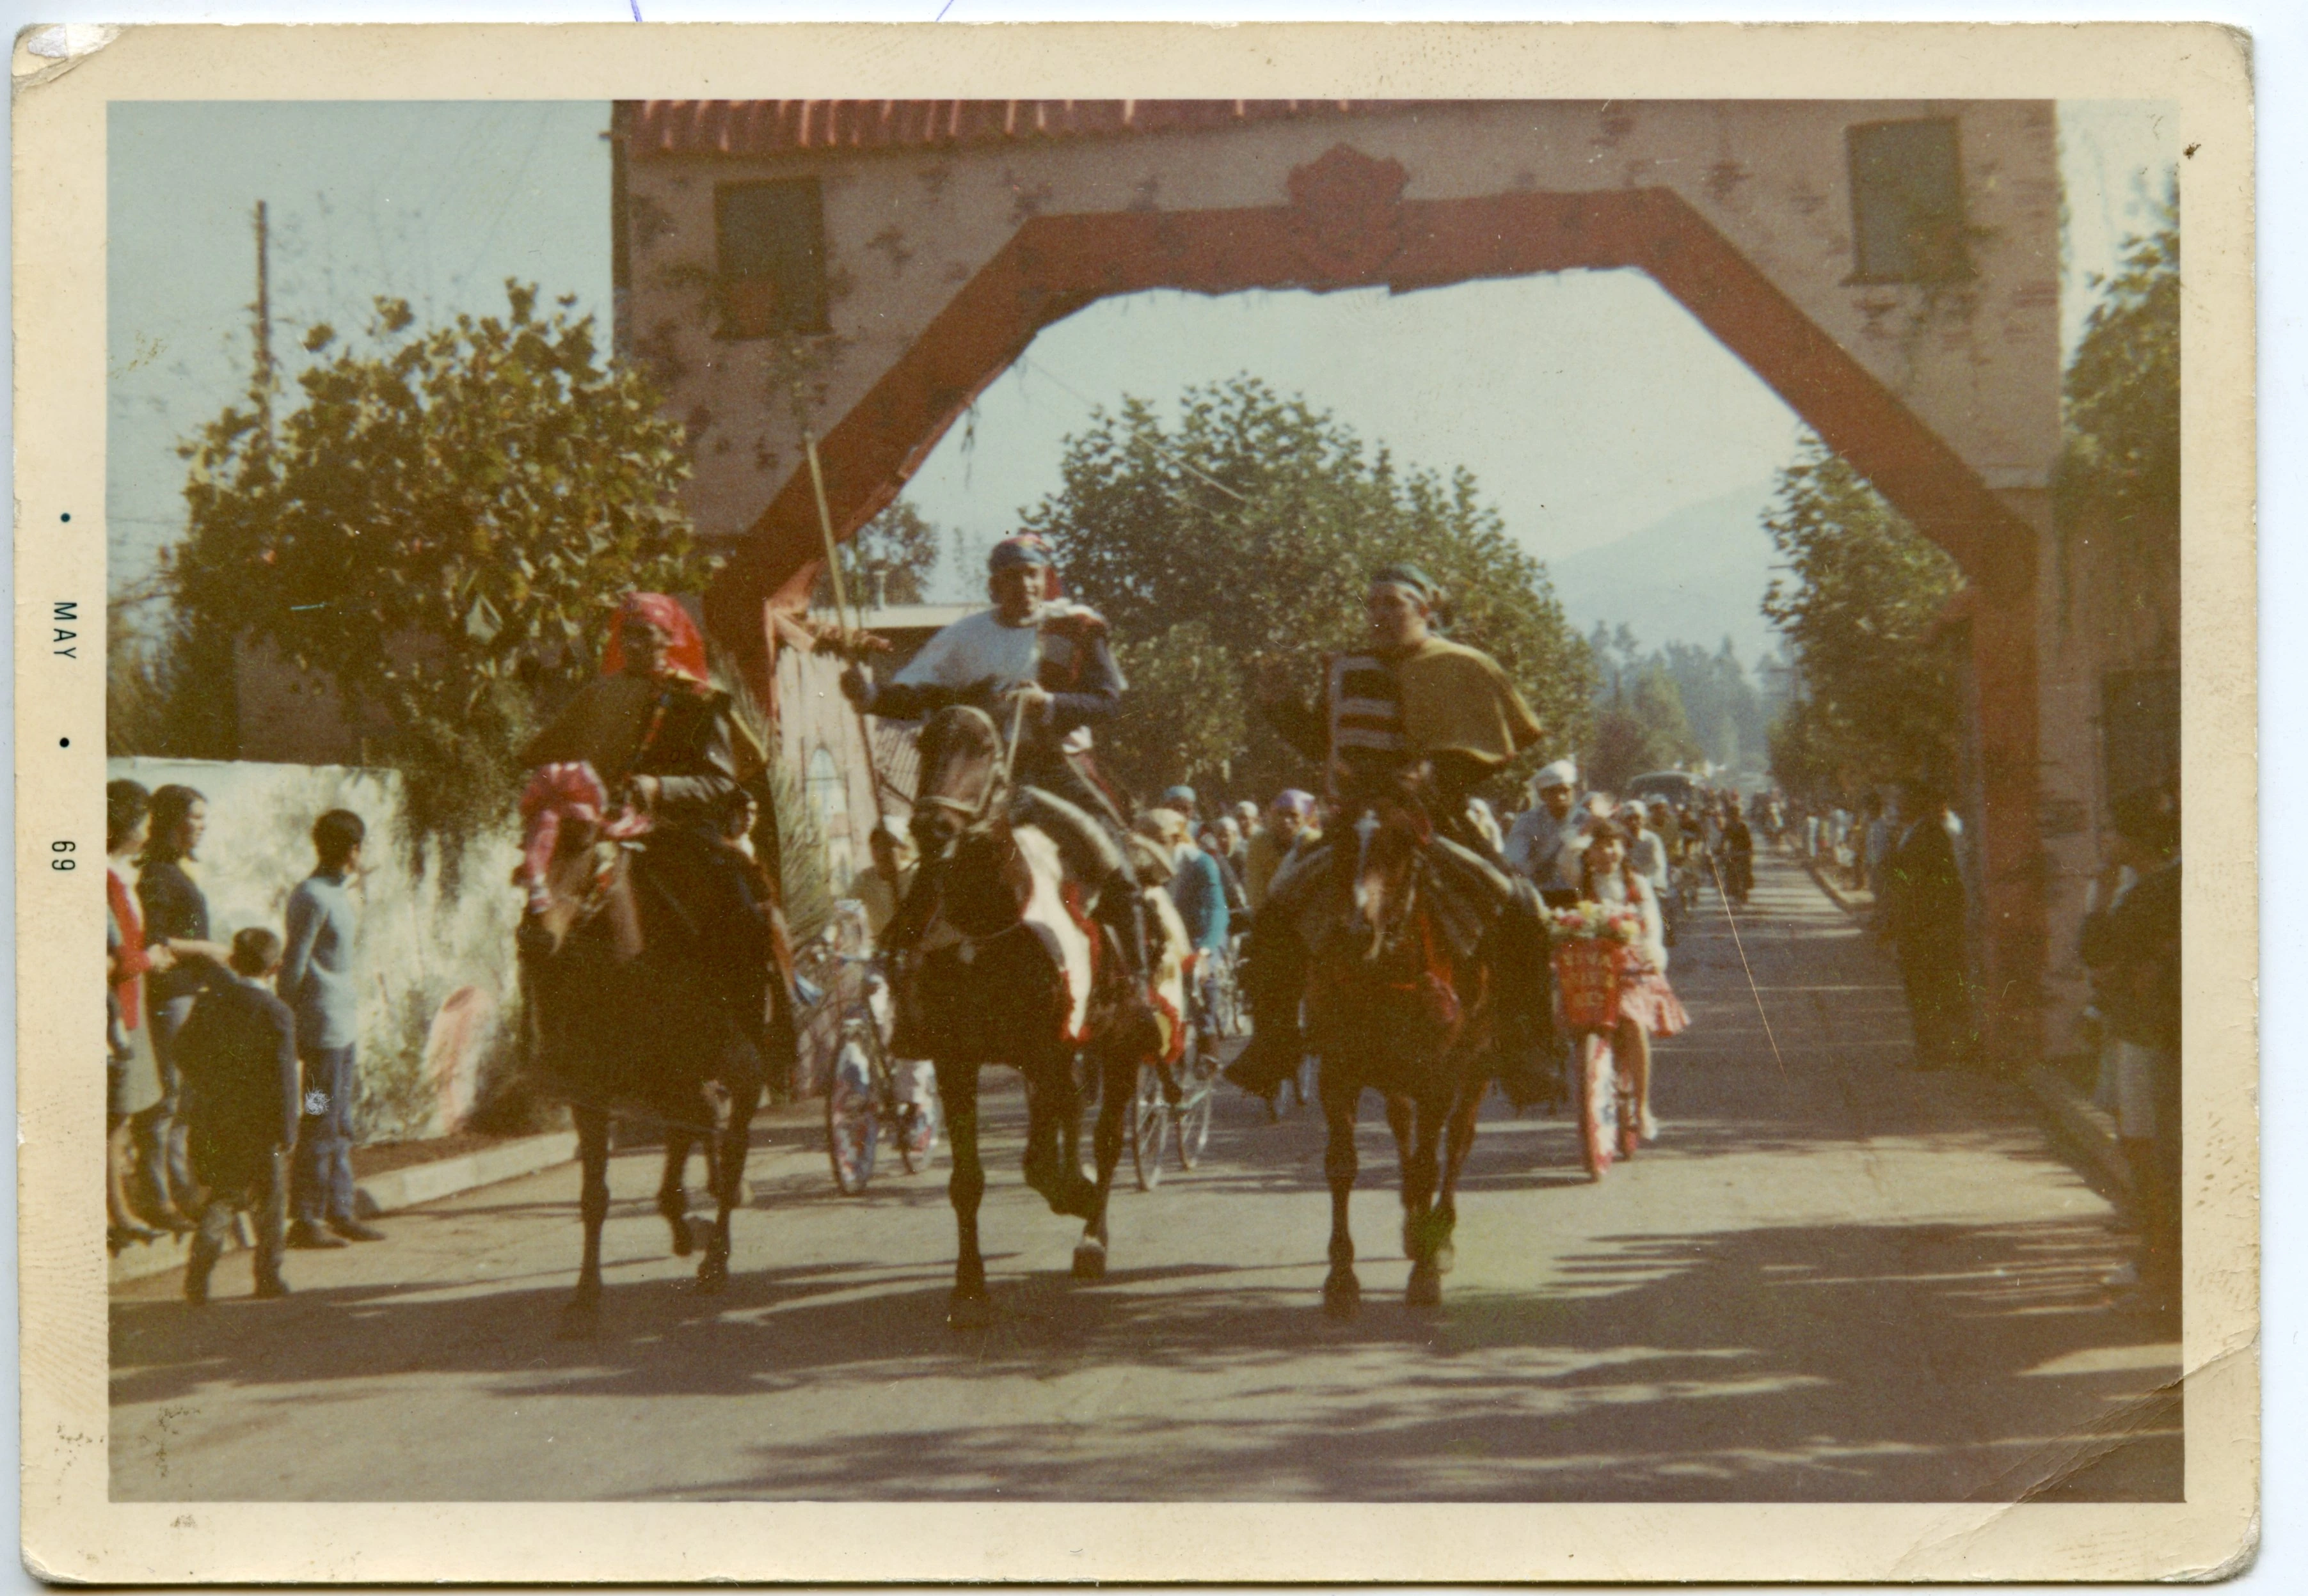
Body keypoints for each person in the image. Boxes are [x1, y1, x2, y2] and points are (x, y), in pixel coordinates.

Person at [1230, 563, 1552, 1100]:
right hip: (1355, 819)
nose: (1379, 614)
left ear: (1424, 609)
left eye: (1393, 603)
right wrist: (1279, 704)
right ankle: (1274, 1041)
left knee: (1520, 905)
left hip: (1436, 816)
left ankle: (1526, 1047)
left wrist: (1432, 774)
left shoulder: (1461, 666)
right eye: (1372, 604)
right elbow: (1322, 743)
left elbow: (1493, 751)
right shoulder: (1351, 667)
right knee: (1277, 910)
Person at [843, 533, 1153, 990]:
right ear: (994, 585)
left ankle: (1138, 984)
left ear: (1045, 578)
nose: (1023, 585)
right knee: (936, 847)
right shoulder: (964, 636)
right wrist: (869, 695)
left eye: (1031, 574)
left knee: (1111, 856)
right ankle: (903, 969)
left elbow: (1108, 702)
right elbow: (922, 694)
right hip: (981, 770)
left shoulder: (1074, 627)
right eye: (1011, 577)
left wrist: (1048, 701)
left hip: (1055, 764)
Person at [520, 591, 774, 1028]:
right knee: (540, 914)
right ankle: (539, 1035)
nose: (632, 644)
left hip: (675, 833)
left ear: (668, 638)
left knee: (738, 909)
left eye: (644, 635)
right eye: (626, 634)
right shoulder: (597, 695)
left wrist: (654, 787)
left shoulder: (699, 700)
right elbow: (540, 752)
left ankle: (746, 1032)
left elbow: (720, 782)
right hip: (598, 831)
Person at [2079, 787, 2181, 1313]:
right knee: (2140, 1144)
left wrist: (2097, 888)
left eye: (2111, 829)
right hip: (2132, 1030)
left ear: (2129, 836)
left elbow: (2094, 953)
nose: (2104, 838)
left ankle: (2158, 1258)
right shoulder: (2138, 885)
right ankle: (2154, 1254)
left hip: (2144, 1034)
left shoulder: (2150, 891)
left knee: (2145, 1148)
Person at [177, 928, 303, 1304]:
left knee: (224, 1195)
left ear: (231, 961)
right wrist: (288, 1128)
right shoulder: (277, 1012)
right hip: (262, 1126)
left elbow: (182, 1049)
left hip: (217, 1118)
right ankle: (268, 1276)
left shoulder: (208, 1003)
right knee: (272, 1200)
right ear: (276, 967)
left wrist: (208, 1082)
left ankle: (197, 1278)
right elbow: (285, 1078)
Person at [280, 808, 385, 1249]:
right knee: (320, 1115)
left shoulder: (338, 892)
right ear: (353, 849)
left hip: (342, 1029)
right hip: (321, 1033)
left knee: (340, 1119)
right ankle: (306, 1217)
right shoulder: (312, 896)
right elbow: (294, 965)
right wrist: (286, 1025)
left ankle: (341, 1210)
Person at [134, 784, 232, 1231]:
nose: (202, 827)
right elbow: (156, 940)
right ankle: (158, 1197)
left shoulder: (172, 870)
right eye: (196, 819)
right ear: (174, 821)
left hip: (187, 992)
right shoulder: (156, 873)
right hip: (170, 995)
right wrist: (211, 949)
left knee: (182, 1100)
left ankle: (179, 1186)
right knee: (167, 1100)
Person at [1574, 819, 1688, 1142]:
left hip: (1632, 967)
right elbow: (1567, 859)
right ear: (1590, 851)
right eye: (1600, 845)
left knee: (1634, 1025)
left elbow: (1651, 923)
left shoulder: (1636, 882)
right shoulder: (1582, 879)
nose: (1607, 852)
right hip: (1594, 967)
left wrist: (1651, 947)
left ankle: (1642, 1106)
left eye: (1614, 845)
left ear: (1624, 849)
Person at [106, 780, 172, 1251]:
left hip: (129, 1006)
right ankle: (117, 1213)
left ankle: (119, 1210)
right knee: (112, 1119)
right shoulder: (103, 880)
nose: (149, 830)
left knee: (119, 1118)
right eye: (144, 820)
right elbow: (116, 959)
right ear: (127, 824)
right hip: (116, 1013)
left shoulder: (119, 875)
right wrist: (153, 958)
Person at [1877, 778, 1977, 1071]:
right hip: (1913, 929)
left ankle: (1935, 1053)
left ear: (1916, 803)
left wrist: (1938, 924)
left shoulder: (1930, 834)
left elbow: (1945, 884)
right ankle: (1929, 1050)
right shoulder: (1910, 833)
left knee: (1930, 992)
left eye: (1902, 799)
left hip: (1928, 930)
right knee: (1919, 991)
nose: (1897, 806)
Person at [1504, 759, 1583, 896]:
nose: (1560, 797)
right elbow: (1515, 858)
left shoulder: (1586, 819)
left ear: (1573, 792)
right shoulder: (1528, 821)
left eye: (1565, 790)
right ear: (1542, 795)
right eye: (1552, 791)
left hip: (1580, 893)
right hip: (1539, 893)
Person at [1245, 789, 1317, 910]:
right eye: (1280, 814)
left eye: (1293, 815)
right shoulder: (1259, 843)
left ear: (1305, 819)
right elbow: (1256, 893)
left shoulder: (1313, 842)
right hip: (1270, 917)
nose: (1285, 821)